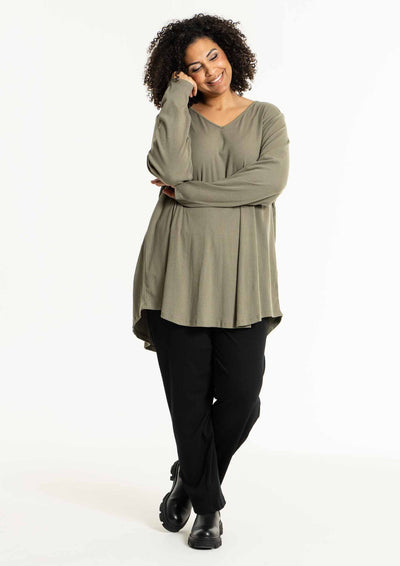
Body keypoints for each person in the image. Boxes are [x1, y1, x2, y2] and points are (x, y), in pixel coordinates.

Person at [132, 13, 290, 550]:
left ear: (231, 52)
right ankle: (207, 508)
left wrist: (190, 193)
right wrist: (176, 95)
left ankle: (189, 474)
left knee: (243, 398)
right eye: (193, 67)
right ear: (181, 75)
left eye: (213, 57)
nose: (209, 71)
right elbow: (166, 166)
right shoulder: (178, 114)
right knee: (189, 401)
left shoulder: (266, 117)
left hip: (245, 279)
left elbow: (269, 181)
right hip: (178, 272)